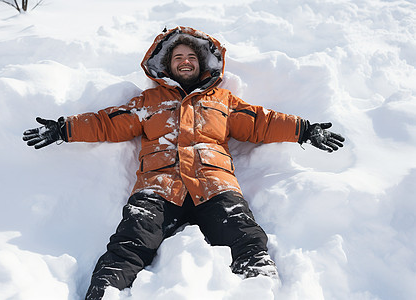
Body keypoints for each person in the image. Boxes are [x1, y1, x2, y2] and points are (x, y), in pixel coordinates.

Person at [23, 26, 344, 299]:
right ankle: (104, 292)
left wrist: (304, 130)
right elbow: (107, 122)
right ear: (167, 65)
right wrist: (64, 128)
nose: (185, 61)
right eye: (178, 58)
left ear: (202, 63)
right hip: (157, 191)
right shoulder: (149, 102)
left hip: (216, 188)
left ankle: (259, 288)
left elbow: (261, 122)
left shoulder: (223, 102)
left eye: (191, 57)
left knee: (247, 240)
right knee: (129, 246)